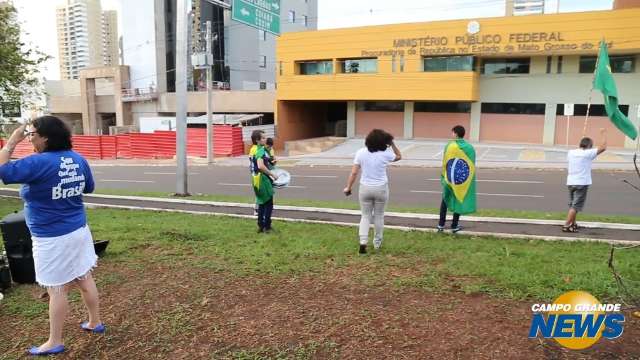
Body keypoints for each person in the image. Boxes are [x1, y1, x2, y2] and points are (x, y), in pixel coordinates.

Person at [0, 116, 103, 356]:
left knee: (57, 288)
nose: (30, 138)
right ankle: (94, 321)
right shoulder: (78, 159)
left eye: (32, 134)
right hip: (78, 231)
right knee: (83, 276)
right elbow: (88, 188)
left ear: (45, 137)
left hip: (51, 237)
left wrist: (11, 142)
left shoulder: (37, 163)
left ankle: (54, 340)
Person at [343, 129, 401, 254]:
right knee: (379, 216)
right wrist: (393, 145)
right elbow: (399, 156)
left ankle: (363, 242)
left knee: (365, 215)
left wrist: (348, 187)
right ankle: (377, 243)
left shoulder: (360, 153)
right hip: (381, 188)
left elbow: (354, 172)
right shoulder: (386, 153)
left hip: (365, 188)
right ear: (383, 142)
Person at [563, 128, 607, 232]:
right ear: (589, 146)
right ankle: (566, 225)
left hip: (571, 182)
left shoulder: (571, 152)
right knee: (576, 206)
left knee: (573, 205)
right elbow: (603, 147)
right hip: (581, 183)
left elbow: (580, 150)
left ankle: (573, 224)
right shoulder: (588, 153)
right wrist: (603, 133)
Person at [438, 125, 477, 233]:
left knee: (445, 200)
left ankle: (441, 225)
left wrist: (444, 176)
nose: (452, 135)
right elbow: (471, 165)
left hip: (449, 179)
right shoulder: (469, 148)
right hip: (460, 181)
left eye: (452, 133)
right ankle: (454, 225)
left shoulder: (450, 146)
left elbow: (445, 161)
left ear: (455, 133)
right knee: (458, 200)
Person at [250, 130, 278, 233]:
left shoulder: (253, 149)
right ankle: (267, 226)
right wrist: (272, 174)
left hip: (255, 179)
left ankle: (261, 226)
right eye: (263, 138)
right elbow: (260, 166)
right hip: (263, 179)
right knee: (268, 203)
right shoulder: (260, 150)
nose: (265, 139)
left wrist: (271, 162)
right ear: (257, 140)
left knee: (261, 202)